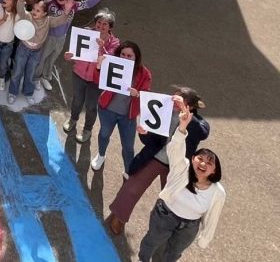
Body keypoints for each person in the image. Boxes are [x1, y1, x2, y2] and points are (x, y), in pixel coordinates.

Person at [106, 87, 210, 235]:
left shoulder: (198, 123)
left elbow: (203, 132)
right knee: (132, 188)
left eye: (180, 100)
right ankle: (119, 216)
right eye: (175, 98)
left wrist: (186, 116)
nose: (174, 102)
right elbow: (149, 140)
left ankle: (160, 230)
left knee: (171, 199)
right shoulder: (163, 111)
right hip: (156, 157)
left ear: (190, 106)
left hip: (177, 165)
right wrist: (144, 133)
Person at [136, 102, 225, 261]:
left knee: (173, 254)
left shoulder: (218, 191)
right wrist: (182, 127)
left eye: (210, 162)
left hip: (189, 228)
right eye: (200, 158)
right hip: (164, 215)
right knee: (151, 242)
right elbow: (175, 148)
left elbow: (213, 217)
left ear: (215, 171)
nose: (203, 163)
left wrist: (204, 239)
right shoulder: (182, 166)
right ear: (192, 159)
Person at [35, 0, 110, 92]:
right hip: (48, 36)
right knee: (42, 57)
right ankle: (36, 78)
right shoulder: (50, 2)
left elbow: (87, 4)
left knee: (53, 58)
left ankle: (45, 77)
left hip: (61, 38)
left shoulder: (74, 6)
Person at [91, 41, 151, 178]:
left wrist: (138, 94)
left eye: (129, 56)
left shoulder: (144, 73)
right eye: (123, 54)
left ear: (136, 57)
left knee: (128, 146)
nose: (125, 58)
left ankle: (128, 168)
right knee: (104, 134)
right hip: (107, 110)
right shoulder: (111, 63)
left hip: (128, 116)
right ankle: (101, 155)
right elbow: (96, 80)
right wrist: (99, 67)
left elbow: (146, 94)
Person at [63, 8, 120, 142]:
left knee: (91, 106)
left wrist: (102, 47)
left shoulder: (115, 43)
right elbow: (74, 52)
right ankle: (73, 119)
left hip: (96, 80)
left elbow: (109, 60)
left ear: (110, 27)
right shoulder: (86, 33)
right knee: (77, 100)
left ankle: (87, 129)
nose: (101, 26)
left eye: (105, 24)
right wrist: (68, 56)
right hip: (78, 74)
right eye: (99, 22)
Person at [7, 0, 71, 104]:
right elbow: (21, 10)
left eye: (37, 10)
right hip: (23, 49)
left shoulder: (48, 21)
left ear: (44, 13)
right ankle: (12, 92)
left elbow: (60, 20)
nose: (34, 12)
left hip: (36, 52)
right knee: (17, 72)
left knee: (30, 73)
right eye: (33, 9)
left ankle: (28, 92)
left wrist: (66, 11)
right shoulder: (28, 16)